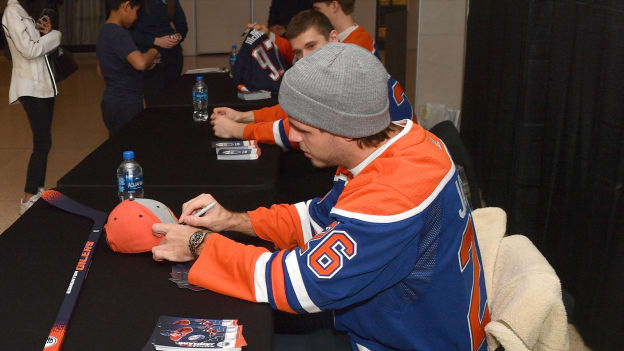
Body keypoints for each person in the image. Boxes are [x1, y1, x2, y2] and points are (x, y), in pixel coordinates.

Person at [151, 43, 490, 351]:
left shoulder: (392, 195)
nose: (294, 139)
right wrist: (233, 220)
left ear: (343, 129)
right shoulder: (401, 142)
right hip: (400, 321)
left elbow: (299, 285)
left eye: (303, 129)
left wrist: (199, 242)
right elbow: (318, 219)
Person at [211, 10, 413, 149]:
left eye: (312, 46)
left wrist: (238, 130)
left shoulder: (343, 77)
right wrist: (243, 116)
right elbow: (300, 110)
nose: (305, 58)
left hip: (396, 156)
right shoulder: (346, 59)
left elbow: (297, 129)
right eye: (298, 52)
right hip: (390, 144)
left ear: (334, 38)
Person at [2, 0, 61, 214]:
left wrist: (46, 34)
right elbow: (30, 50)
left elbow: (36, 46)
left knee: (44, 141)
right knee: (43, 141)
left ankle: (37, 190)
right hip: (29, 87)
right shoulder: (11, 12)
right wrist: (55, 36)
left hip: (44, 86)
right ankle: (28, 197)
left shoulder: (23, 12)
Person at [96, 0, 159, 137]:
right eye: (136, 11)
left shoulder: (104, 31)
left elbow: (101, 70)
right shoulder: (119, 33)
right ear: (126, 6)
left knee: (116, 144)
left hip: (109, 102)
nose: (136, 17)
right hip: (126, 104)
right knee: (129, 146)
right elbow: (140, 63)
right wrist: (153, 52)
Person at [131, 0, 187, 106]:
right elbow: (130, 33)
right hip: (150, 58)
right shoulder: (136, 3)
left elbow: (182, 26)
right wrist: (155, 41)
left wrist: (178, 37)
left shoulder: (171, 2)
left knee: (173, 98)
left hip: (173, 56)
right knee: (154, 102)